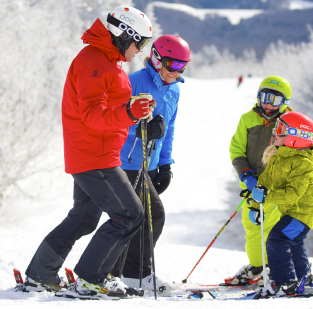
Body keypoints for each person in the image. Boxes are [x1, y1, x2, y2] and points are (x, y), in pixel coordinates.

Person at [24, 5, 155, 298]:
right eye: (141, 43)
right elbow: (93, 115)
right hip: (95, 156)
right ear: (126, 35)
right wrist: (129, 111)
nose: (141, 51)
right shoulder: (94, 62)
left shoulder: (106, 61)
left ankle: (40, 274)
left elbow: (109, 106)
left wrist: (136, 109)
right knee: (130, 214)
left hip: (94, 153)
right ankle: (91, 279)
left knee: (83, 218)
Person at [111, 35, 191, 295]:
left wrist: (165, 165)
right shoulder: (134, 83)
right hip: (128, 161)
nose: (175, 72)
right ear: (156, 59)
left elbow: (169, 129)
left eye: (182, 67)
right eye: (171, 65)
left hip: (149, 164)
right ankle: (114, 274)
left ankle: (133, 274)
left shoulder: (174, 89)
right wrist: (141, 126)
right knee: (134, 217)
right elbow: (115, 121)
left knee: (151, 215)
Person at [226, 76, 292, 286]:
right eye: (264, 97)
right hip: (252, 187)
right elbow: (236, 149)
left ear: (284, 102)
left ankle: (276, 268)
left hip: (275, 188)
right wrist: (246, 175)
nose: (267, 103)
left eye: (274, 100)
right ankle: (257, 266)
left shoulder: (290, 121)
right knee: (252, 227)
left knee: (273, 227)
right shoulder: (248, 119)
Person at [252, 111, 313, 298]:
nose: (275, 132)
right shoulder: (278, 156)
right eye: (277, 127)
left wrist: (266, 197)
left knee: (277, 239)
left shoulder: (303, 164)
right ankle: (302, 277)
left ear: (296, 138)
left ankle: (284, 281)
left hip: (301, 214)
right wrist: (254, 203)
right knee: (293, 243)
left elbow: (292, 194)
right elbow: (264, 182)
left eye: (281, 129)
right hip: (291, 213)